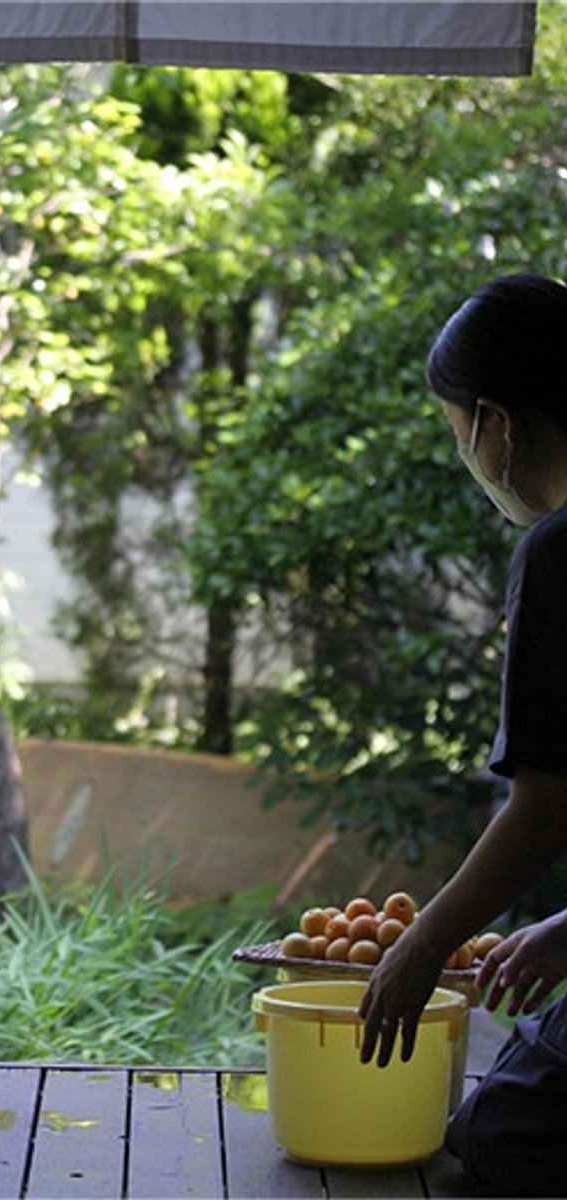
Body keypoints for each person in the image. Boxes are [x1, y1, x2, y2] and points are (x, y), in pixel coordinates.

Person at [357, 273, 567, 1196]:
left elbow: (546, 807)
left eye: (457, 434)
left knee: (496, 1130)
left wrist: (420, 947)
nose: (468, 457)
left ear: (498, 423)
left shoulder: (557, 554)